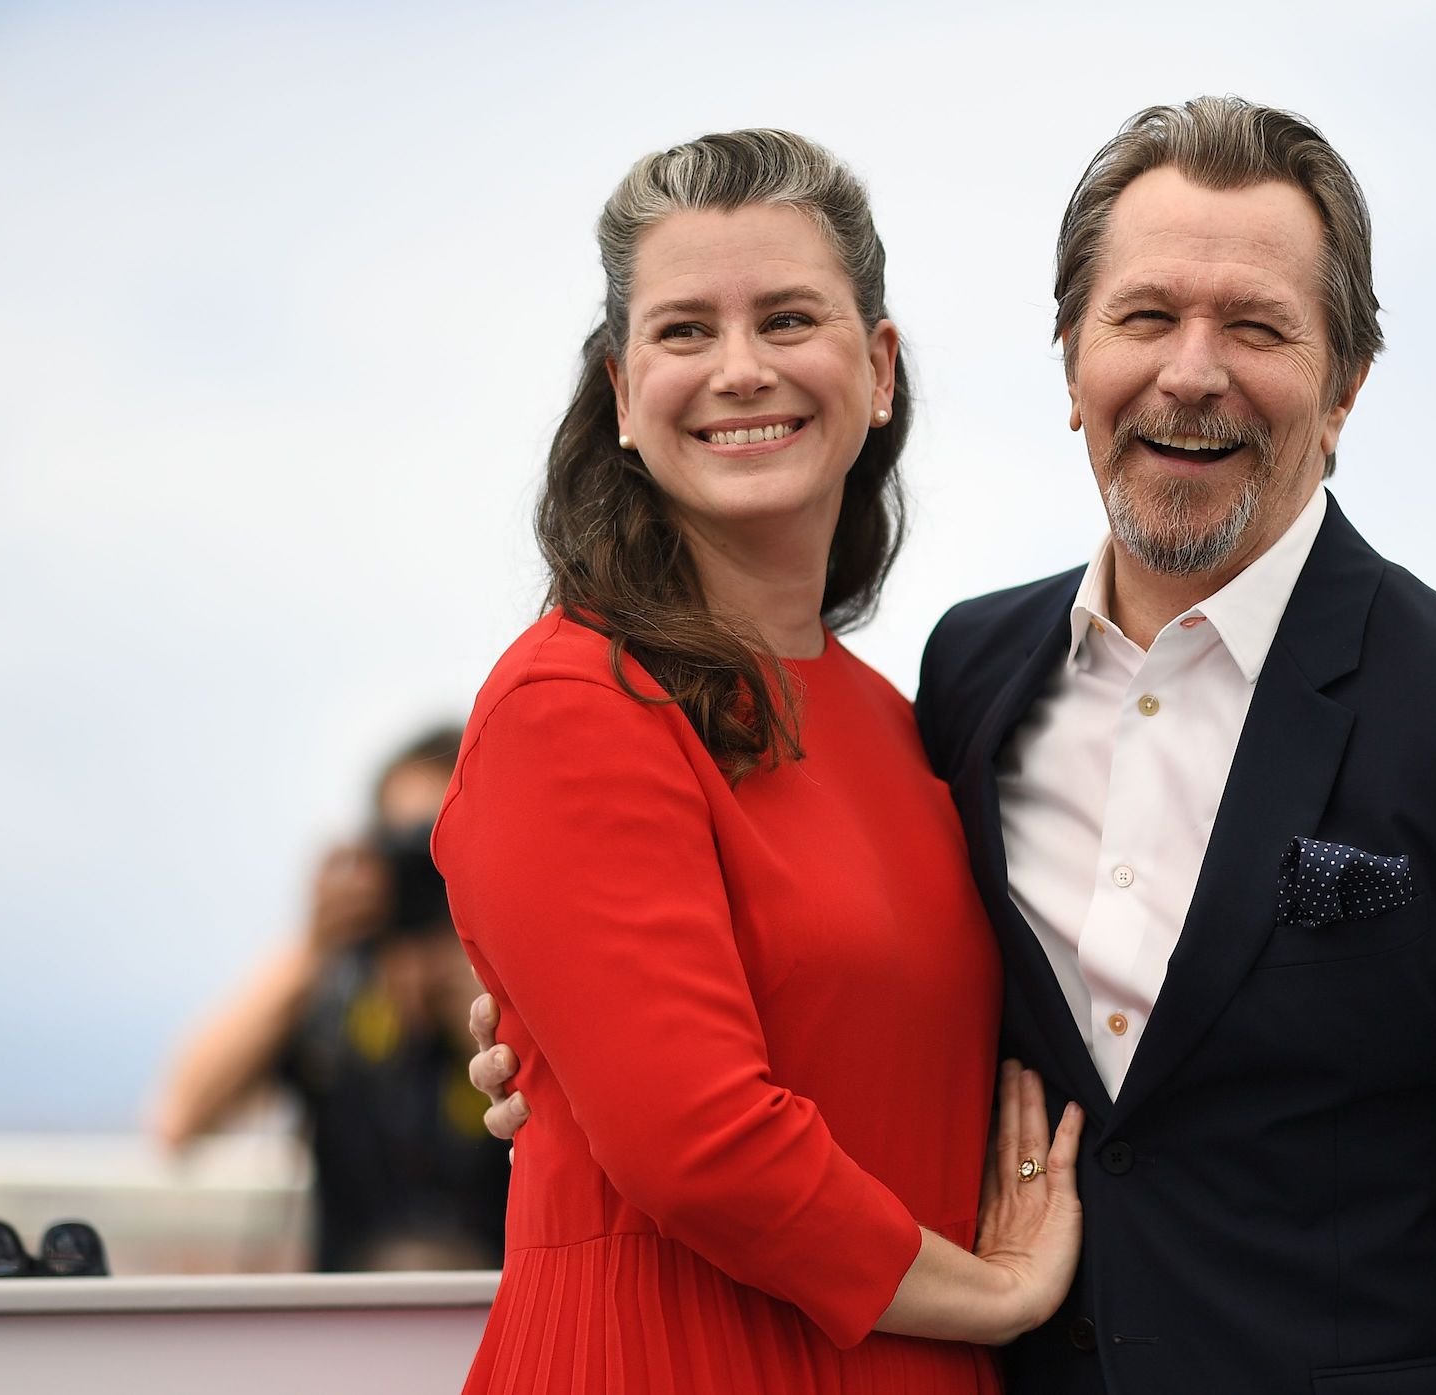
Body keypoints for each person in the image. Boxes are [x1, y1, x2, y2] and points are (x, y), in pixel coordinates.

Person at [475, 98, 1436, 1394]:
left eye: (1254, 325)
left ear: (1345, 386)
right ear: (1071, 363)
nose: (1190, 371)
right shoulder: (966, 681)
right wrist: (563, 1050)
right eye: (1143, 318)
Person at [431, 129, 1083, 1395]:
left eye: (787, 318)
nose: (740, 370)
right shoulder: (569, 700)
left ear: (876, 369)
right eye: (683, 332)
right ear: (621, 391)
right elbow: (697, 1145)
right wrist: (994, 1297)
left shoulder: (909, 727)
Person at [156, 726, 507, 1272]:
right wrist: (313, 948)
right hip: (346, 1324)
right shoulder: (333, 993)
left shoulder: (521, 984)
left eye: (448, 840)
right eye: (410, 844)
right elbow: (179, 1119)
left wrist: (495, 1008)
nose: (428, 867)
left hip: (504, 1320)